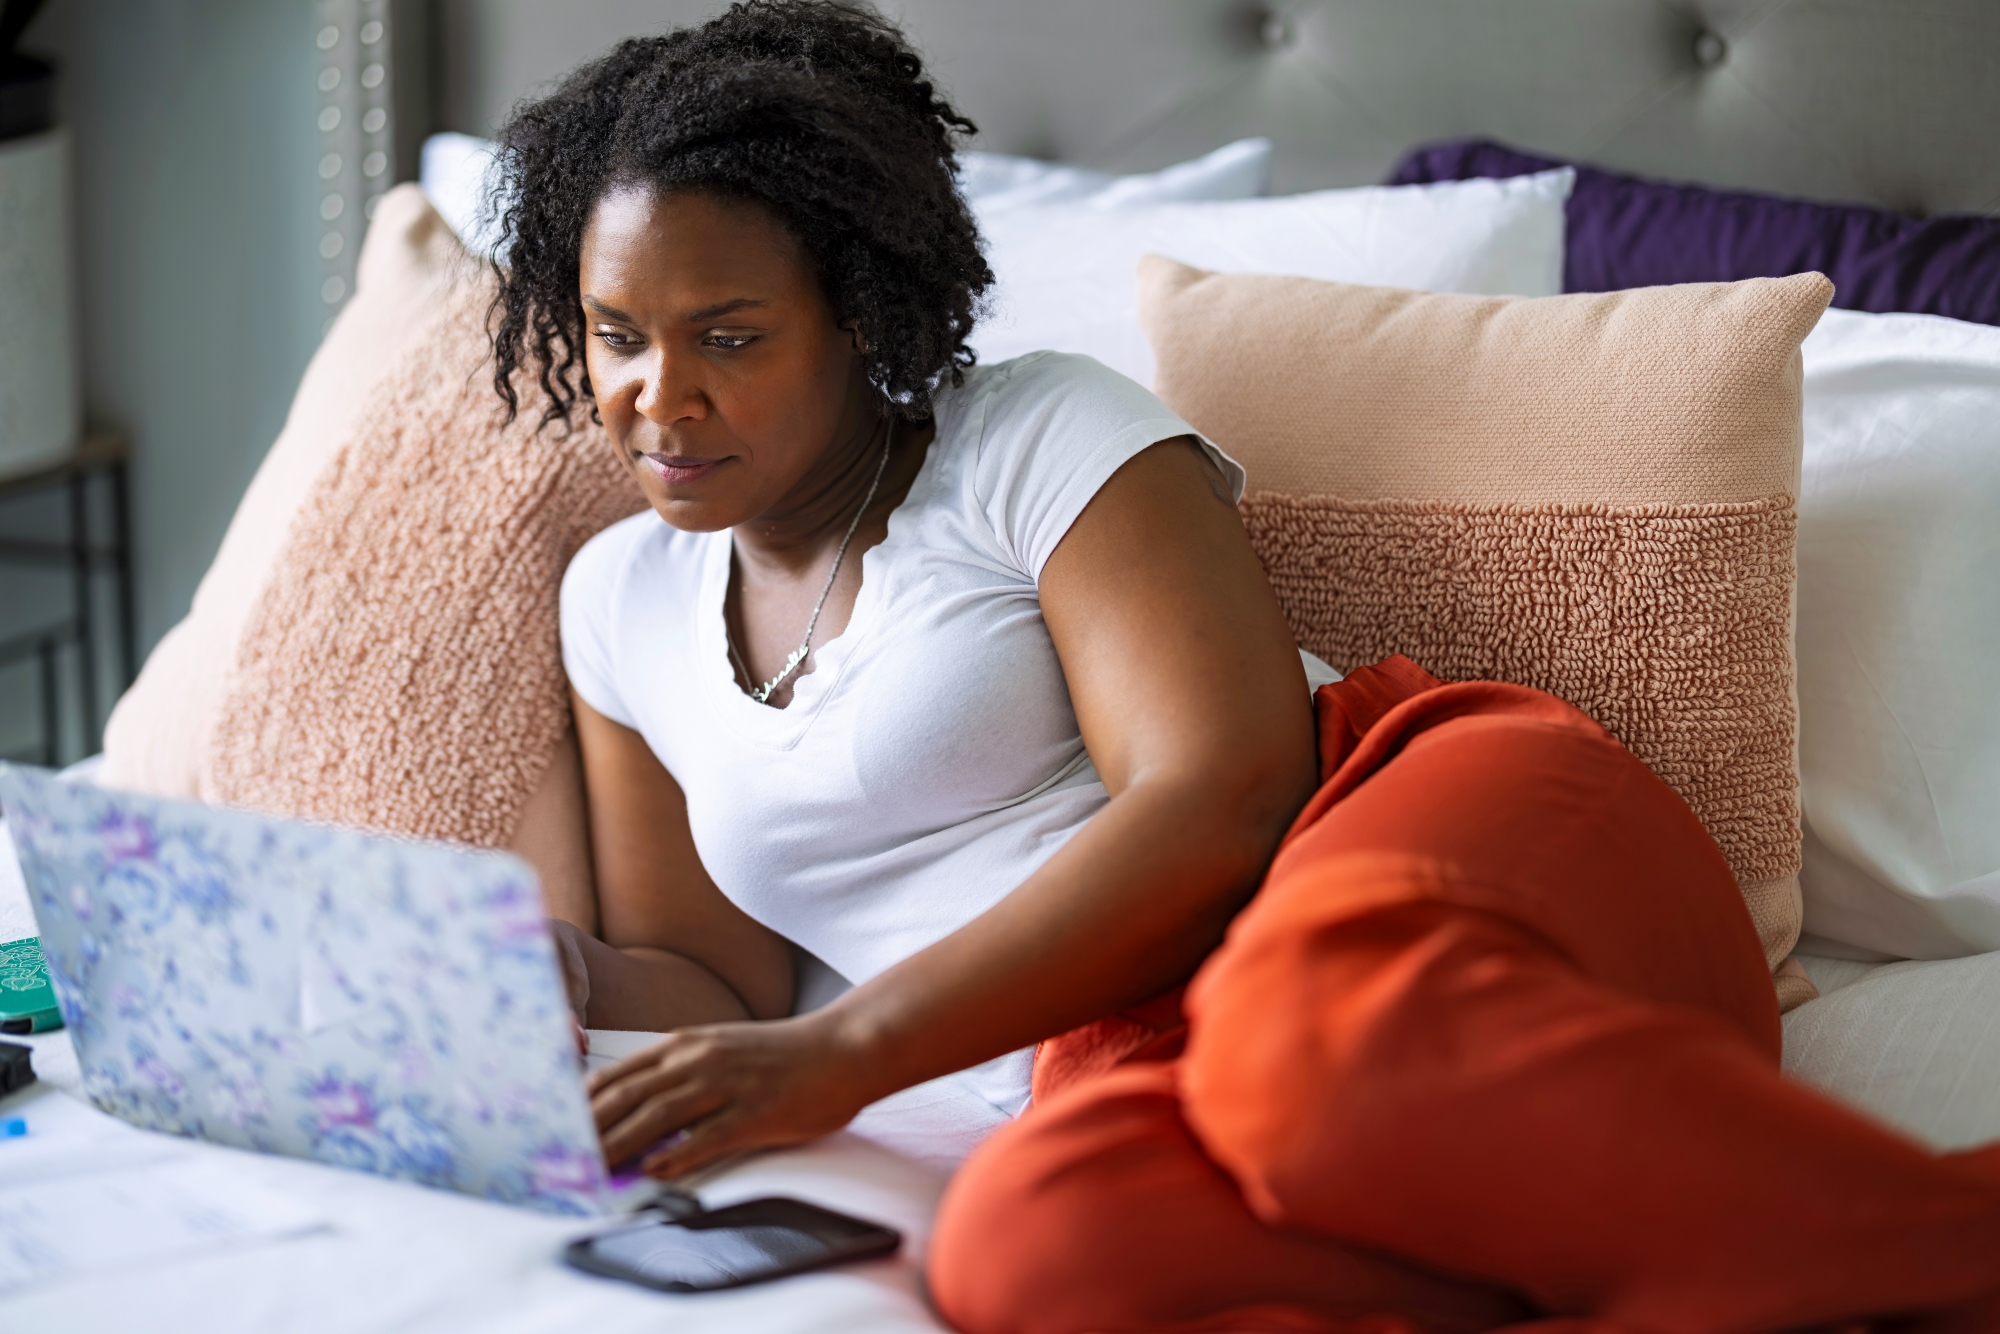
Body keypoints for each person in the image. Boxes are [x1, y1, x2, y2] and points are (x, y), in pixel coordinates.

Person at [496, 3, 2000, 1328]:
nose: (654, 394)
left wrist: (855, 1047)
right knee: (1044, 1263)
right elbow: (724, 982)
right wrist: (545, 972)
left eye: (731, 335)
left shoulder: (1032, 434)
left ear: (861, 313)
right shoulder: (617, 599)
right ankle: (1783, 1281)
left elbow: (1225, 792)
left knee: (1315, 1053)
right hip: (1134, 1062)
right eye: (617, 332)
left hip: (1396, 849)